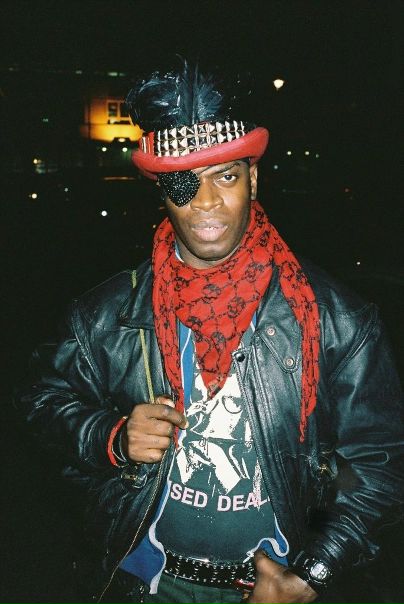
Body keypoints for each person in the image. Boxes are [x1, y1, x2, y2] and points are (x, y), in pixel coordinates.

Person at [18, 60, 404, 604]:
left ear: (253, 179)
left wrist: (311, 575)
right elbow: (41, 402)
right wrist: (111, 437)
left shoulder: (335, 319)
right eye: (185, 182)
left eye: (226, 176)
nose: (206, 202)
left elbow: (381, 462)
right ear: (162, 192)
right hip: (148, 582)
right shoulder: (105, 313)